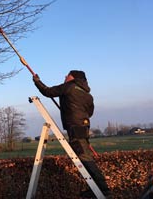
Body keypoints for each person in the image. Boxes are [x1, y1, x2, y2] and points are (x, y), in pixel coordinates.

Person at [33, 70, 111, 198]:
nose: (65, 76)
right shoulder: (87, 94)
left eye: (67, 75)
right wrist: (70, 109)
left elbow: (48, 92)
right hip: (84, 127)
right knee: (85, 155)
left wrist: (37, 81)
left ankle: (103, 189)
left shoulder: (69, 87)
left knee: (85, 158)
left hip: (74, 128)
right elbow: (89, 113)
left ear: (74, 78)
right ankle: (96, 189)